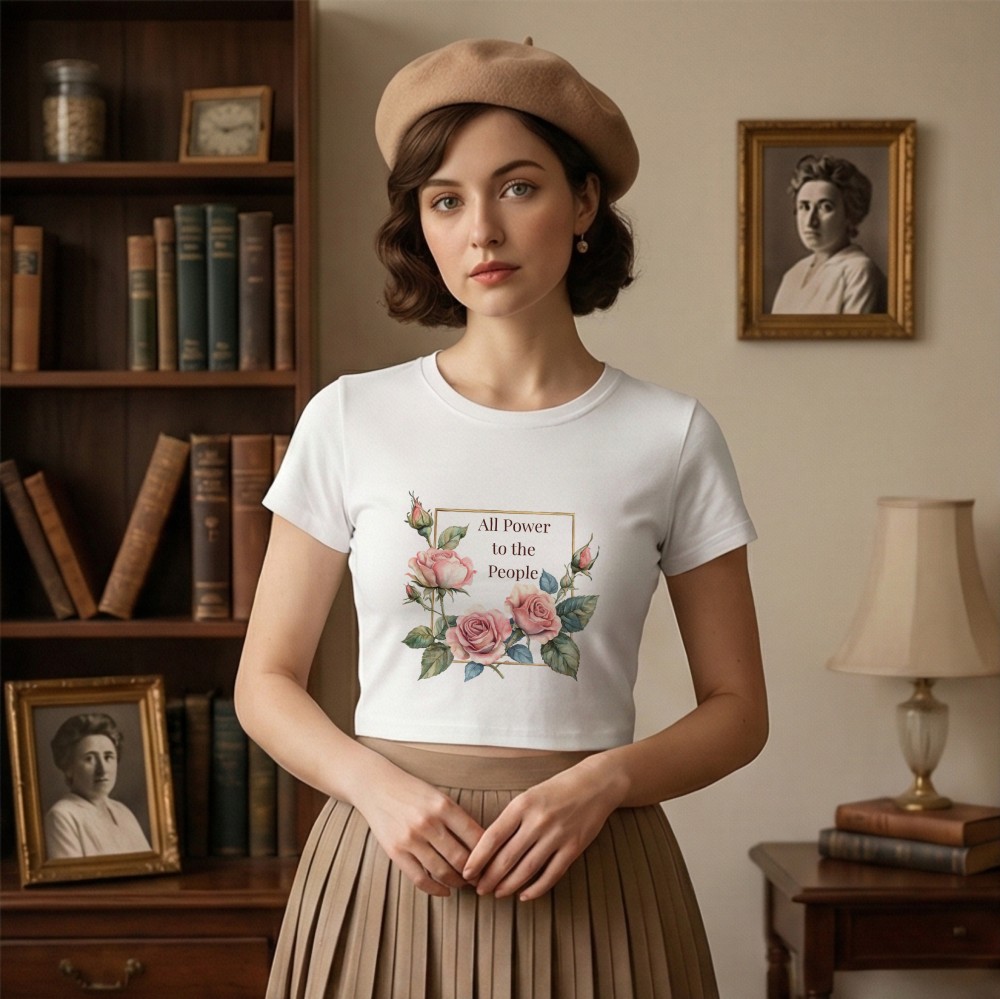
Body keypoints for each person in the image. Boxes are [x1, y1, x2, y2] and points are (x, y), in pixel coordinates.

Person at [236, 37, 767, 999]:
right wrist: (375, 790)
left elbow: (739, 710)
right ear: (423, 225)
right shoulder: (350, 418)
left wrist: (604, 782)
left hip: (602, 873)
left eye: (517, 188)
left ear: (586, 203)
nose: (481, 229)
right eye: (446, 199)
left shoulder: (673, 434)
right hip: (389, 867)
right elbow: (264, 682)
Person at [771, 153, 887, 314]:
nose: (811, 221)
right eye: (804, 207)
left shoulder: (859, 271)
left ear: (850, 214)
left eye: (825, 207)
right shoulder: (793, 274)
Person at [44, 713, 151, 859]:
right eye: (89, 758)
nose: (103, 769)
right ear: (68, 767)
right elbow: (73, 878)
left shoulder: (123, 811)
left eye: (108, 757)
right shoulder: (62, 816)